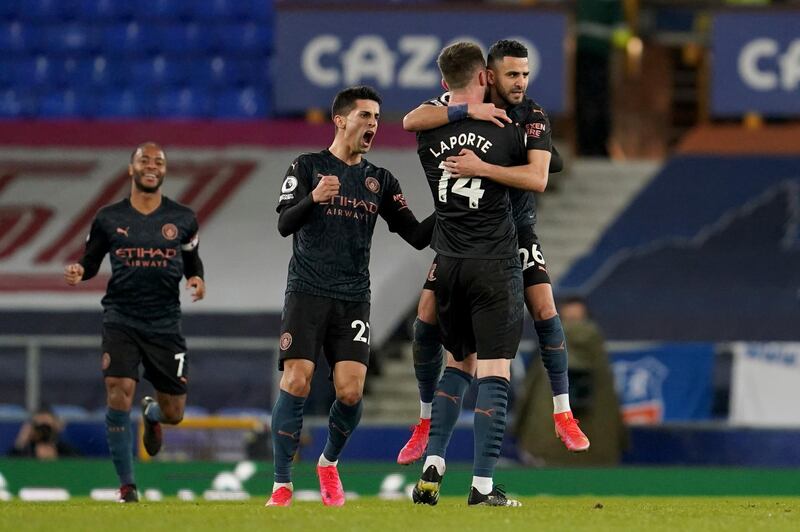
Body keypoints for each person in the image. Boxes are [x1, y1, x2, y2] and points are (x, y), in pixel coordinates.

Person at [397, 39, 588, 467]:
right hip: (462, 236)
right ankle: (425, 420)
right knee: (425, 319)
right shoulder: (464, 105)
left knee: (543, 307)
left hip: (515, 231)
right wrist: (469, 110)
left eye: (524, 75)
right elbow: (413, 118)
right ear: (489, 76)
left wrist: (483, 167)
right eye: (511, 75)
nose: (519, 83)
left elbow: (541, 176)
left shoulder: (531, 115)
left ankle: (563, 411)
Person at [265, 86, 434, 508]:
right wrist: (313, 198)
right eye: (365, 115)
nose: (373, 123)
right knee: (297, 379)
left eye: (377, 116)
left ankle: (328, 463)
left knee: (351, 392)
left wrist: (450, 208)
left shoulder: (380, 180)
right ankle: (282, 485)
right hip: (307, 291)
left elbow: (415, 235)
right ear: (340, 120)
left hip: (353, 297)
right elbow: (285, 223)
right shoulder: (306, 166)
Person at [411, 41, 540, 508]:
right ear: (485, 77)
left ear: (444, 85)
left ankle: (433, 463)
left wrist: (456, 109)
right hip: (494, 263)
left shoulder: (428, 132)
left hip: (448, 265)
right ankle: (483, 485)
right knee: (494, 369)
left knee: (456, 364)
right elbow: (540, 177)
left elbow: (412, 119)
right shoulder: (506, 126)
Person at [64, 142, 205, 503]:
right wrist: (81, 270)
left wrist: (196, 279)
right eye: (144, 160)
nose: (152, 166)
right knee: (118, 390)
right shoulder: (109, 218)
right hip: (121, 318)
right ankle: (128, 485)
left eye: (159, 161)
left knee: (175, 412)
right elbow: (92, 260)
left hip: (164, 324)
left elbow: (192, 261)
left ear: (164, 171)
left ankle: (153, 414)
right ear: (131, 169)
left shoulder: (183, 218)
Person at [514, 296, 627, 466]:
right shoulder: (598, 352)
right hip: (598, 448)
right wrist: (621, 441)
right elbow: (613, 403)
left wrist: (518, 432)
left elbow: (527, 395)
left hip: (547, 446)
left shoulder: (546, 348)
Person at [9, 407, 80, 459]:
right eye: (40, 427)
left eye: (47, 427)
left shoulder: (65, 450)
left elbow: (80, 465)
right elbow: (8, 467)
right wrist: (21, 441)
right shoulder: (24, 451)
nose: (44, 431)